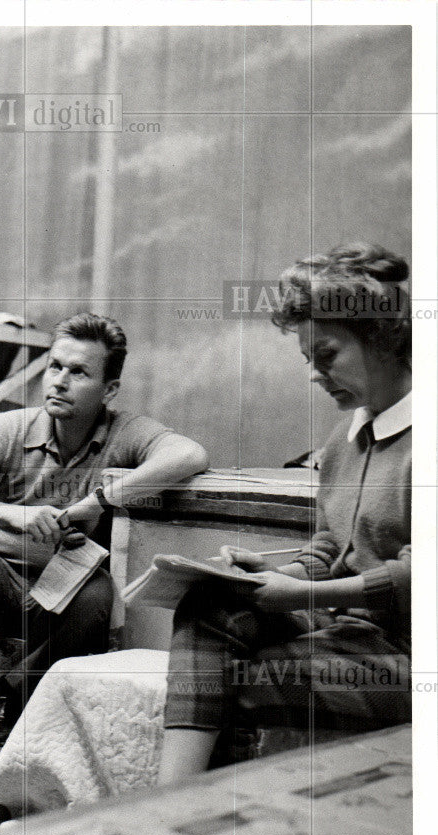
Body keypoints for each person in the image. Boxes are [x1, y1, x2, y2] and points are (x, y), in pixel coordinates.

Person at [158, 243, 411, 784]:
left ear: (384, 338)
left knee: (265, 675)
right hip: (353, 629)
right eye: (307, 360)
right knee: (210, 603)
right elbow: (329, 549)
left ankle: (226, 823)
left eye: (327, 355)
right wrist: (277, 575)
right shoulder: (347, 437)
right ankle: (169, 799)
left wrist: (305, 596)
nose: (315, 376)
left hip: (413, 650)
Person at [0, 312, 209, 745]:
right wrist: (7, 514)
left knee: (99, 594)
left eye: (78, 372)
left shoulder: (126, 431)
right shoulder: (9, 428)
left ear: (109, 389)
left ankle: (15, 691)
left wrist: (97, 502)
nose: (58, 381)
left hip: (64, 597)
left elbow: (189, 455)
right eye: (55, 367)